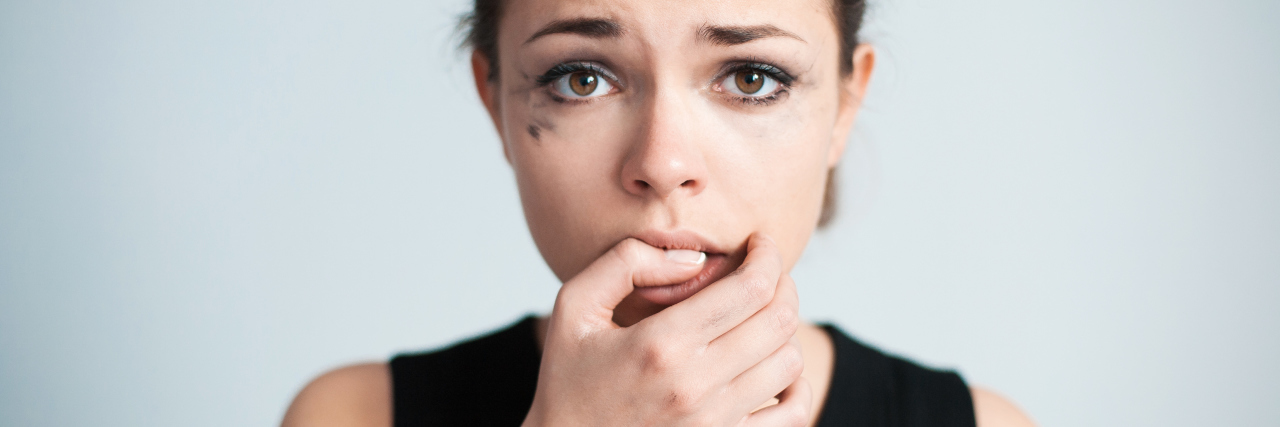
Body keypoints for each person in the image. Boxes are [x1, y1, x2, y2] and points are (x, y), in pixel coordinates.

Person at [283, 0, 1036, 425]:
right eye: (581, 78)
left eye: (751, 76)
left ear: (844, 105)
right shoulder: (353, 415)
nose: (663, 161)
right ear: (497, 104)